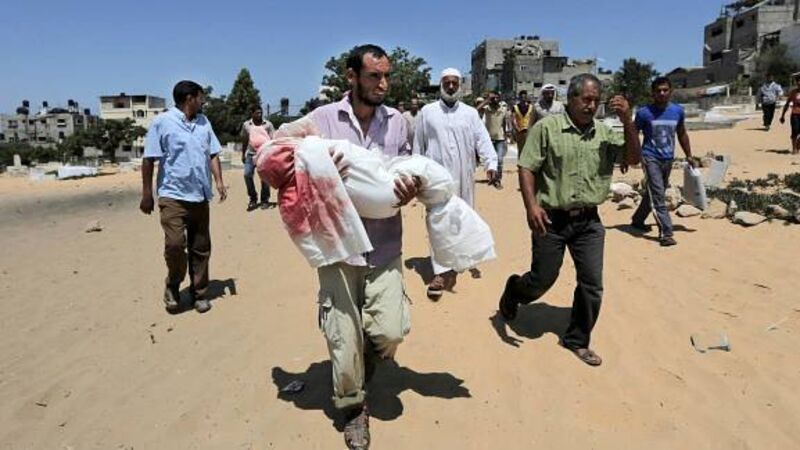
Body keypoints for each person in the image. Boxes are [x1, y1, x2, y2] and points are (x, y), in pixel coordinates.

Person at [307, 44, 418, 450]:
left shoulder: (398, 123)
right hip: (337, 245)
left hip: (385, 242)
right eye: (374, 76)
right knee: (343, 335)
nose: (383, 84)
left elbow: (406, 166)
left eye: (387, 76)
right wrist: (322, 174)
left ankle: (367, 355)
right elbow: (290, 174)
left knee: (390, 330)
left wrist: (410, 187)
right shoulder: (321, 120)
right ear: (352, 77)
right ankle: (353, 407)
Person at [498, 73, 640, 367]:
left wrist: (627, 121)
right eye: (586, 99)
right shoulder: (547, 128)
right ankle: (514, 291)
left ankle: (577, 339)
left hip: (589, 223)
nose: (591, 105)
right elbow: (526, 167)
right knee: (542, 279)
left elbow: (632, 158)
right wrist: (531, 207)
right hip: (551, 220)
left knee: (592, 284)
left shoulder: (604, 133)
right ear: (571, 99)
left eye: (596, 100)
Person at [139, 80, 227, 314]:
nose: (203, 101)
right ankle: (173, 284)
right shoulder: (162, 122)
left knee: (201, 247)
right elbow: (149, 159)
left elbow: (213, 153)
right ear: (190, 98)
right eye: (201, 97)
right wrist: (147, 194)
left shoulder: (204, 122)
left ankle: (199, 293)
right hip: (172, 195)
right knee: (175, 245)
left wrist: (218, 181)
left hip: (200, 195)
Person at [414, 68, 498, 300]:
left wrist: (491, 163)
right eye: (446, 83)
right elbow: (418, 145)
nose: (450, 86)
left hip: (464, 176)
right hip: (436, 178)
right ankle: (440, 272)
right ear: (441, 84)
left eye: (454, 83)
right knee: (437, 221)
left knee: (462, 218)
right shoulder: (427, 112)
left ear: (460, 85)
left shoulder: (470, 113)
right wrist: (416, 173)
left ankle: (459, 257)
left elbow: (482, 140)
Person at [630, 77, 694, 247]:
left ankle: (638, 219)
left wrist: (689, 155)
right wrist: (632, 155)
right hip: (649, 157)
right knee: (658, 194)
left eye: (665, 90)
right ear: (652, 93)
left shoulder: (677, 111)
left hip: (668, 159)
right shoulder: (644, 113)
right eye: (658, 90)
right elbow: (632, 134)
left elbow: (682, 133)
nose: (662, 93)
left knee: (654, 191)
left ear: (670, 91)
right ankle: (666, 233)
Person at [241, 106, 275, 211]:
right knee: (247, 174)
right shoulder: (246, 125)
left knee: (265, 178)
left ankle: (265, 199)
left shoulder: (268, 124)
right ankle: (253, 198)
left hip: (264, 154)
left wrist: (272, 154)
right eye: (257, 113)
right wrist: (243, 153)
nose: (259, 115)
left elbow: (273, 140)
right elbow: (245, 139)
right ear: (252, 113)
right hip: (251, 154)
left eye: (261, 112)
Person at [481, 91, 507, 189]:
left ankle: (497, 179)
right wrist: (487, 100)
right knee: (490, 160)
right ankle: (492, 177)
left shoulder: (503, 109)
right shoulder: (486, 109)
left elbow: (504, 122)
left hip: (500, 138)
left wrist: (506, 133)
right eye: (493, 98)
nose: (495, 100)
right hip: (488, 139)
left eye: (497, 98)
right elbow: (475, 110)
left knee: (499, 160)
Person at [779, 73, 800, 155]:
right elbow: (787, 104)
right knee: (795, 131)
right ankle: (794, 149)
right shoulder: (793, 92)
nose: (799, 83)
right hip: (795, 114)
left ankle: (798, 144)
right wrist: (782, 115)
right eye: (798, 81)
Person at [512, 90, 534, 158]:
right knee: (521, 149)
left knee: (529, 149)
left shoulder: (531, 107)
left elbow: (533, 118)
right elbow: (513, 119)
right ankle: (520, 163)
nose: (523, 99)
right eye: (521, 97)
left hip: (529, 131)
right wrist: (516, 128)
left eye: (525, 97)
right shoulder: (515, 107)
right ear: (519, 98)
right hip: (519, 131)